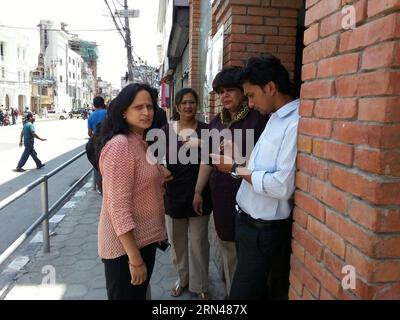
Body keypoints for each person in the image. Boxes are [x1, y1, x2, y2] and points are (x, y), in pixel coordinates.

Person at [210, 54, 299, 300]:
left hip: (263, 231)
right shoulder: (274, 118)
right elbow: (260, 168)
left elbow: (281, 186)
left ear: (270, 88)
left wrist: (235, 168)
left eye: (250, 95)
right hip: (247, 223)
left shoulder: (293, 123)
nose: (250, 103)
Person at [193, 66, 267, 298]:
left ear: (243, 92)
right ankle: (230, 295)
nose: (224, 96)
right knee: (227, 248)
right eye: (220, 91)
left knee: (248, 254)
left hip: (252, 199)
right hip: (223, 198)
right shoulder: (216, 122)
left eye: (230, 90)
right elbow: (207, 160)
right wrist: (197, 191)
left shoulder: (260, 119)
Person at [96, 83, 172, 300]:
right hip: (125, 250)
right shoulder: (120, 145)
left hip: (143, 242)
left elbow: (138, 173)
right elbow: (118, 208)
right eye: (138, 107)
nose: (146, 112)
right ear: (124, 111)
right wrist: (135, 259)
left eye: (149, 106)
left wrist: (158, 172)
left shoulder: (138, 140)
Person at [160, 88, 212, 300]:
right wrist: (160, 169)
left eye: (192, 102)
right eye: (184, 103)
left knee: (199, 242)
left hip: (200, 195)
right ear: (177, 106)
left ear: (197, 104)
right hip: (173, 196)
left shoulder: (206, 130)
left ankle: (200, 285)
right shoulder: (165, 130)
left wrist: (198, 191)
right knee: (178, 244)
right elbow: (153, 156)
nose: (188, 106)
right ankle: (183, 279)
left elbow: (210, 158)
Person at [87, 96, 108, 191]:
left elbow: (89, 133)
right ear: (103, 103)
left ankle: (99, 186)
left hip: (96, 143)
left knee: (96, 164)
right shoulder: (107, 113)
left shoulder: (91, 116)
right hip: (107, 140)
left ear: (94, 105)